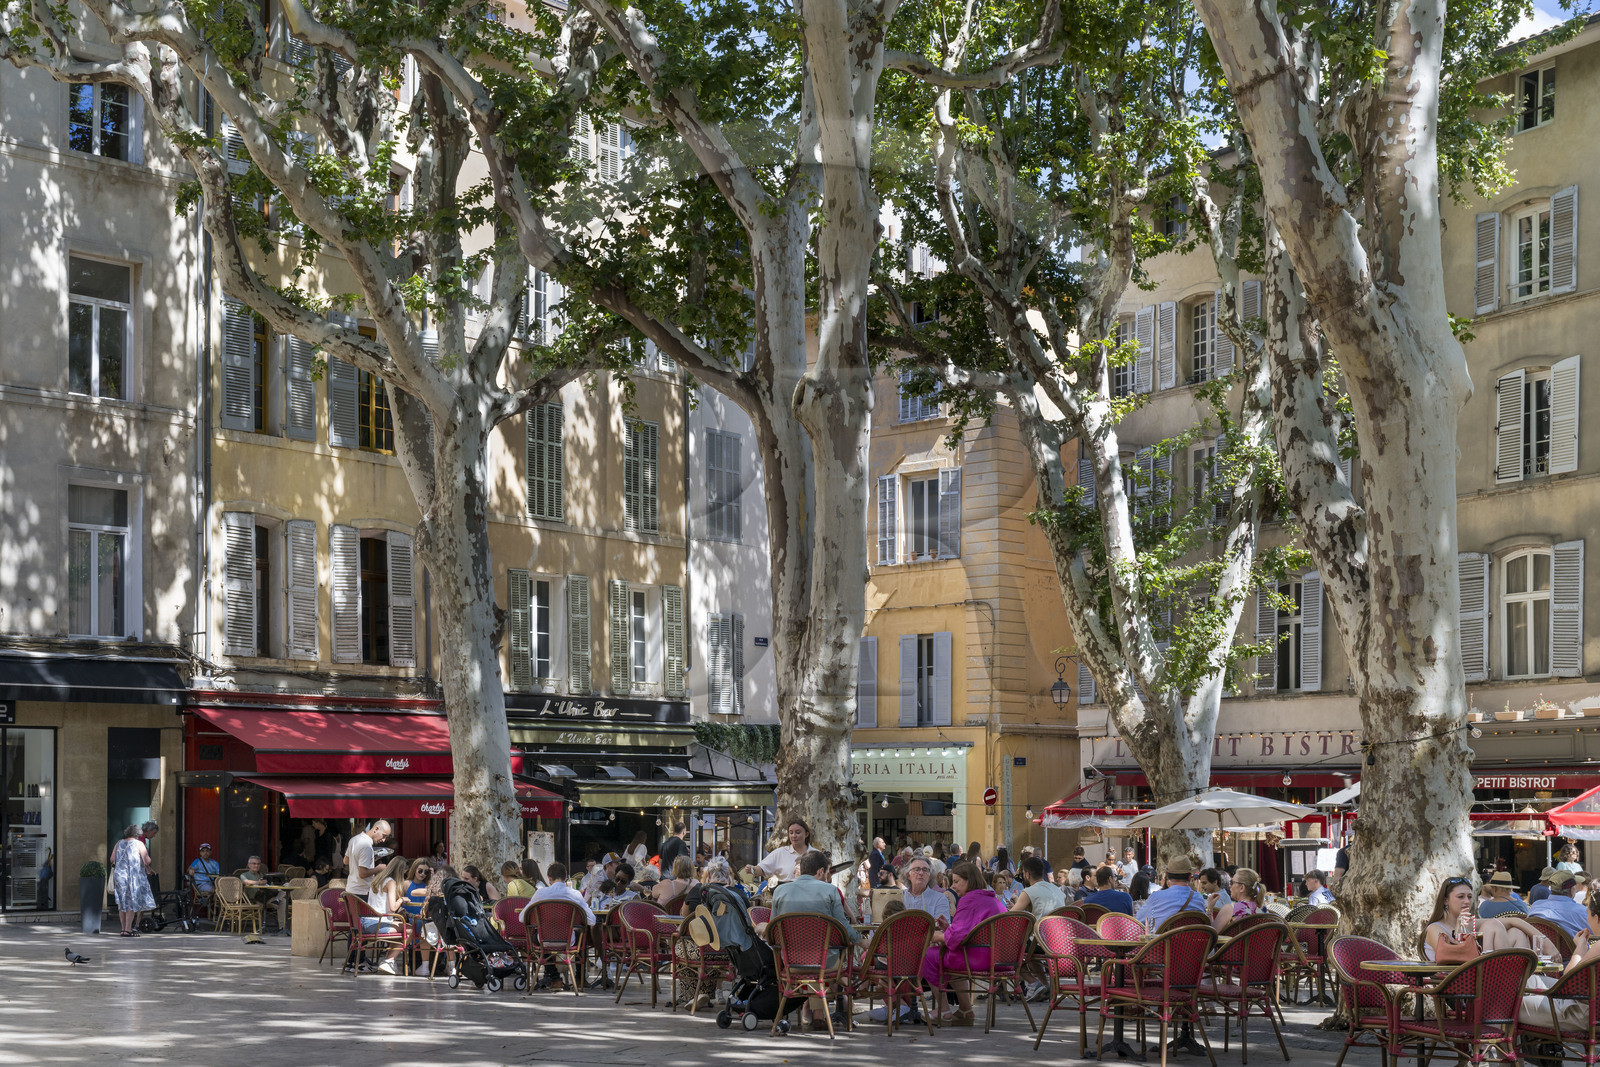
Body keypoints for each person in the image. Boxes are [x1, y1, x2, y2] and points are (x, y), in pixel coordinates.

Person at [770, 850, 861, 1031]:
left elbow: (772, 930)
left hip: (789, 962)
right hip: (823, 962)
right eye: (827, 872)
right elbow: (842, 927)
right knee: (824, 954)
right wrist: (858, 939)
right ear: (820, 871)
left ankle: (814, 1014)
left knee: (814, 953)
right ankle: (819, 1014)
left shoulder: (779, 891)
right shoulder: (830, 890)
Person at [920, 861, 1005, 1027]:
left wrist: (938, 935)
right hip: (1001, 959)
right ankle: (965, 1010)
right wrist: (949, 929)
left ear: (969, 881)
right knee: (953, 956)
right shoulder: (992, 899)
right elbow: (968, 932)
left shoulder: (968, 900)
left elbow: (955, 938)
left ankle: (943, 1010)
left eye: (957, 881)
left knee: (929, 955)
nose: (953, 886)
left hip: (980, 959)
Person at [1421, 876, 1554, 960]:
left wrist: (1547, 943)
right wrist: (1458, 930)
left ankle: (1519, 985)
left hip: (1478, 979)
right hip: (1455, 987)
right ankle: (1514, 987)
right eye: (1460, 897)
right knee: (1492, 925)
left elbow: (1515, 921)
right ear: (1445, 901)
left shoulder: (1470, 924)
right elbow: (1452, 957)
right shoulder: (1435, 928)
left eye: (1469, 897)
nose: (1467, 901)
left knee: (1516, 932)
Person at [521, 861, 596, 990]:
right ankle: (579, 978)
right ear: (566, 876)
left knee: (539, 935)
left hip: (544, 941)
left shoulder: (540, 894)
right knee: (583, 935)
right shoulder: (575, 894)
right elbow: (592, 921)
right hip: (569, 940)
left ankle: (555, 979)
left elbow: (522, 917)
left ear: (549, 878)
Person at [363, 855, 409, 975]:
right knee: (409, 929)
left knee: (402, 929)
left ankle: (388, 961)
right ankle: (389, 960)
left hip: (366, 922)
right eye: (404, 873)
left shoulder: (377, 879)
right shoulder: (391, 882)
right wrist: (402, 900)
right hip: (378, 924)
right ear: (400, 871)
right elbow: (393, 908)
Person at [111, 824, 156, 937]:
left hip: (119, 876)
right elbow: (147, 861)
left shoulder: (119, 842)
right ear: (137, 834)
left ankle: (122, 929)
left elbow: (112, 859)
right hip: (132, 876)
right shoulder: (138, 843)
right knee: (130, 903)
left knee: (122, 903)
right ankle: (128, 929)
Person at [1139, 857, 1208, 928]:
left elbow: (1139, 919)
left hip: (1163, 938)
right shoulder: (1198, 898)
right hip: (1192, 938)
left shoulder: (1156, 897)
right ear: (1190, 877)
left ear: (1167, 875)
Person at [746, 820, 819, 886]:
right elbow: (762, 869)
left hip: (812, 895)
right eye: (791, 833)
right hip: (787, 895)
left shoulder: (816, 854)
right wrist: (752, 869)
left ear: (806, 834)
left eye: (798, 832)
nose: (794, 836)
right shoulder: (780, 853)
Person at [1530, 870, 1590, 938]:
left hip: (1540, 947)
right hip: (1573, 948)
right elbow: (1595, 933)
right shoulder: (1582, 911)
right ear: (1572, 889)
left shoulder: (1535, 906)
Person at [344, 820, 391, 902]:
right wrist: (379, 868)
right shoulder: (367, 846)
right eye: (383, 836)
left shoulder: (354, 839)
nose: (384, 840)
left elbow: (346, 861)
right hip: (362, 893)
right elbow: (362, 873)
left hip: (350, 890)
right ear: (376, 829)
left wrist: (370, 860)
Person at [900, 855, 953, 924]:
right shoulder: (900, 896)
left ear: (930, 877)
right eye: (917, 869)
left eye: (925, 870)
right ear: (908, 876)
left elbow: (941, 927)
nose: (921, 873)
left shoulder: (939, 898)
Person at [1212, 867, 1266, 932]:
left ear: (1242, 888)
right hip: (1260, 942)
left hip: (1236, 942)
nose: (1229, 886)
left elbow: (1211, 934)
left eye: (1232, 882)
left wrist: (1209, 909)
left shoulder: (1230, 909)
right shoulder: (1263, 909)